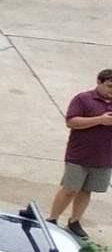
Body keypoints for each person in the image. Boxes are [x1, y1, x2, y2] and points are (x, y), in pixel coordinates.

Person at [49, 67, 112, 240]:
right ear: (99, 82)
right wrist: (101, 120)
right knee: (70, 189)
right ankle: (52, 219)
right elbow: (72, 122)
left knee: (87, 191)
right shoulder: (83, 99)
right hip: (79, 155)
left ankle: (75, 221)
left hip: (104, 158)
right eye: (109, 86)